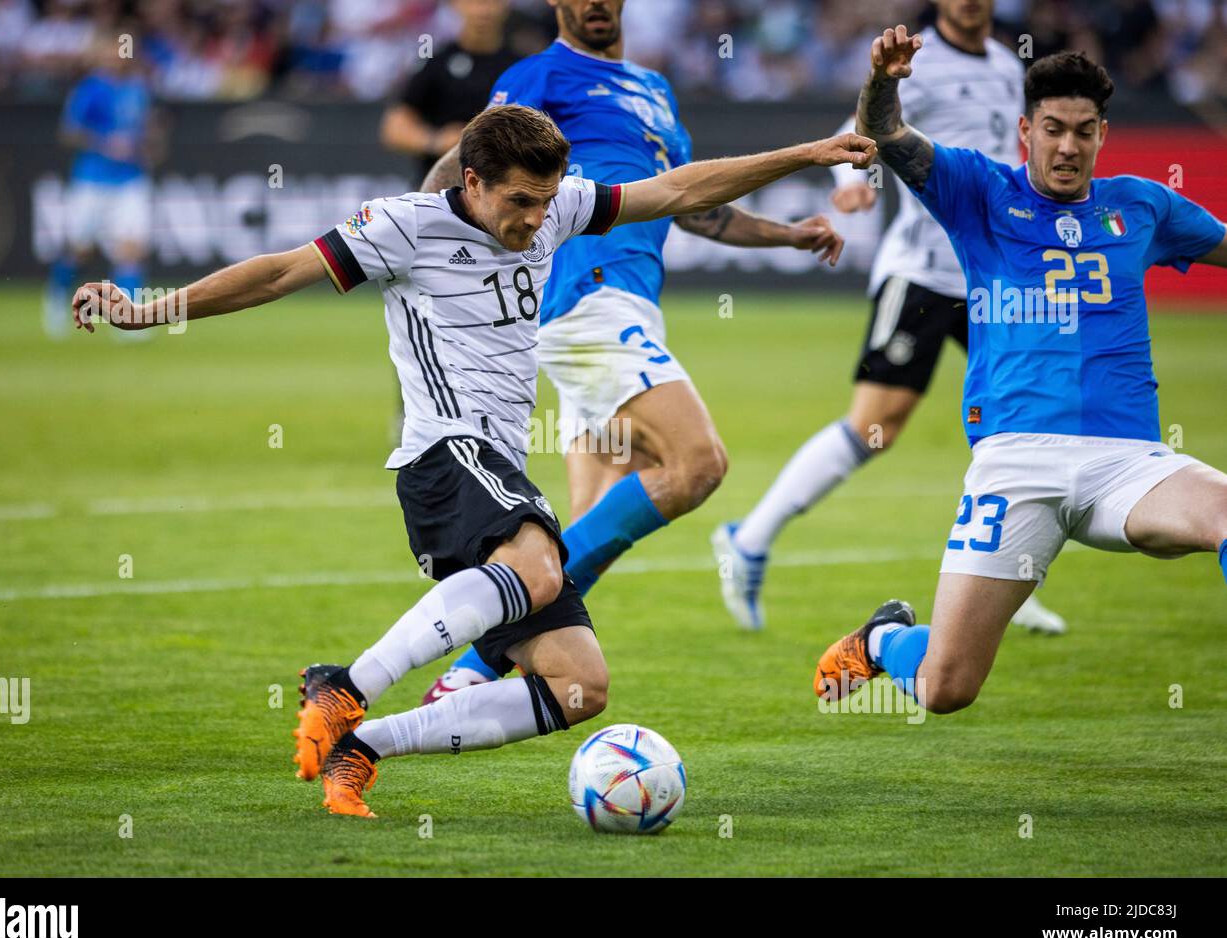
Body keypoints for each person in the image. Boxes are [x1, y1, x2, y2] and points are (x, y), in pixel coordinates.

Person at [72, 104, 876, 815]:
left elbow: (680, 190)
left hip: (498, 467)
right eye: (519, 202)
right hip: (443, 453)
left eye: (545, 200)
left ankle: (367, 747)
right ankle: (343, 687)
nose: (534, 220)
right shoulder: (404, 225)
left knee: (578, 685)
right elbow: (279, 271)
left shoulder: (557, 210)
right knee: (540, 570)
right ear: (473, 180)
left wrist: (803, 155)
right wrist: (152, 310)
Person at [420, 0, 847, 700]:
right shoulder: (541, 76)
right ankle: (475, 661)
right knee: (696, 463)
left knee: (582, 543)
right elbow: (463, 166)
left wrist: (787, 235)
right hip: (587, 298)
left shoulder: (654, 91)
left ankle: (469, 683)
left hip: (628, 306)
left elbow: (693, 206)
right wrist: (411, 236)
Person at [816, 28, 1227, 713]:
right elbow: (883, 132)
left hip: (1130, 465)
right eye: (1054, 129)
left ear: (1102, 133)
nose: (1068, 147)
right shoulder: (978, 190)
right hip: (1016, 463)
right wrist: (883, 80)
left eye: (1084, 131)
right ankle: (888, 640)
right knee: (946, 690)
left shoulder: (1144, 205)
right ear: (1025, 129)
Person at [714, 0, 1066, 637]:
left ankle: (1015, 574)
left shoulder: (1007, 63)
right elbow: (867, 127)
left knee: (1027, 422)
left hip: (994, 278)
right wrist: (860, 181)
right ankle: (749, 539)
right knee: (877, 424)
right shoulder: (916, 60)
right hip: (925, 274)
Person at [44, 33, 154, 339]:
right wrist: (104, 143)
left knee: (130, 248)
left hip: (130, 178)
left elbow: (145, 131)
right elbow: (69, 132)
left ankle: (130, 321)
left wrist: (147, 146)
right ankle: (57, 297)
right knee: (80, 248)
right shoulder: (90, 89)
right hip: (92, 179)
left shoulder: (138, 89)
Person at [379, 0, 520, 185]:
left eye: (491, 2)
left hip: (498, 187)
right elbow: (394, 128)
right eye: (474, 3)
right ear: (456, 4)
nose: (483, 11)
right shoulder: (435, 61)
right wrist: (436, 141)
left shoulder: (521, 66)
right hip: (438, 191)